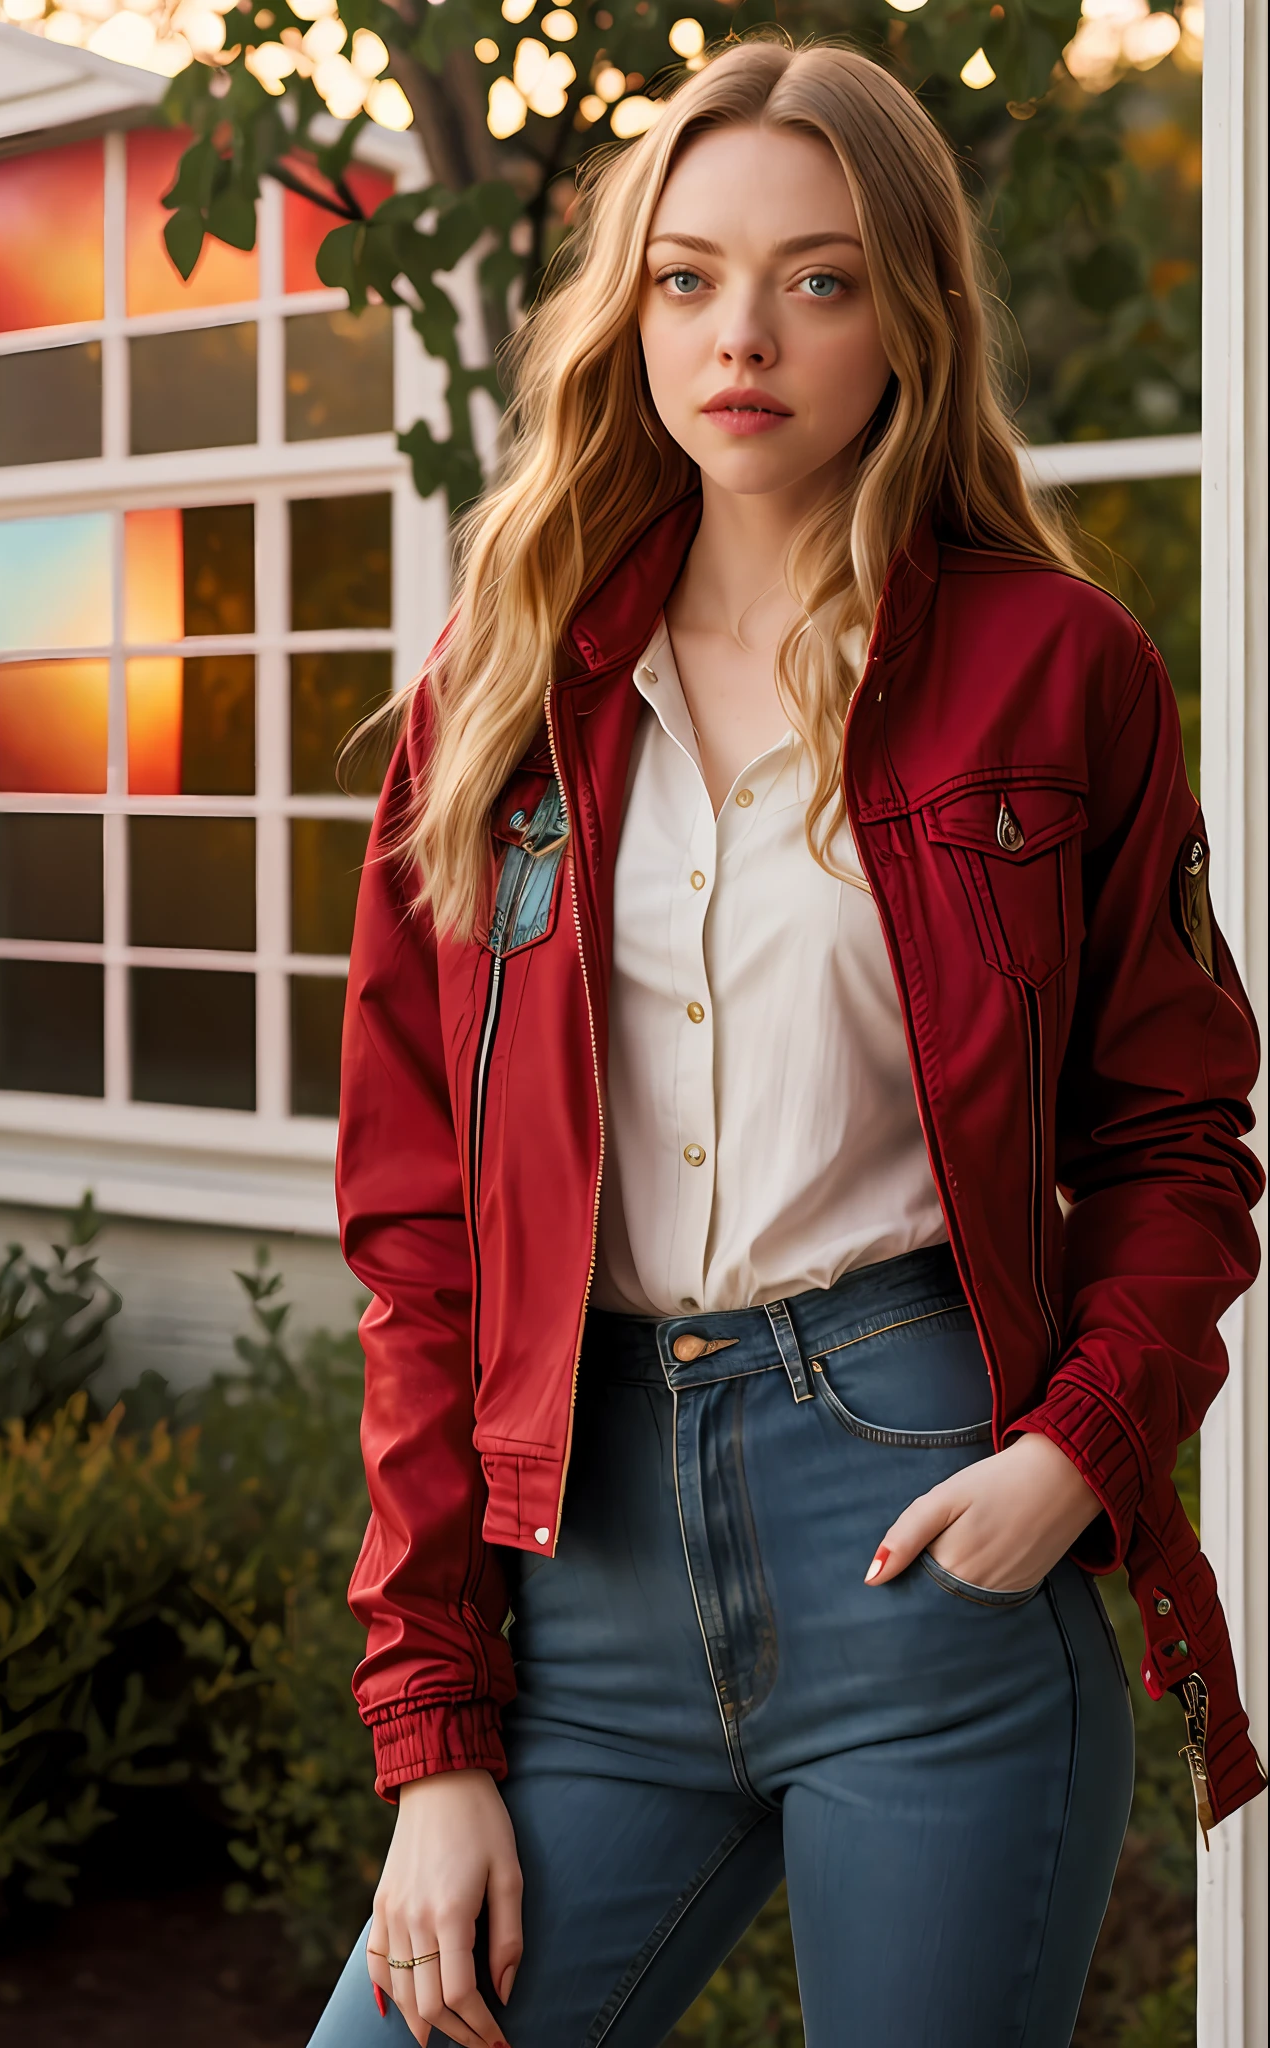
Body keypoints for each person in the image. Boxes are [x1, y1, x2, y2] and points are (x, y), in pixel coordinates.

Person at [312, 37, 1264, 2048]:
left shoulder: (1050, 665)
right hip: (585, 1557)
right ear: (627, 309)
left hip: (928, 1531)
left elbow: (1175, 1134)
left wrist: (1069, 1456)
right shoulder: (498, 687)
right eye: (685, 276)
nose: (740, 334)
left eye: (816, 279)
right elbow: (420, 1231)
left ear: (905, 316)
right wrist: (430, 1736)